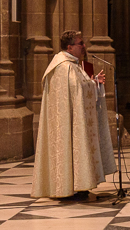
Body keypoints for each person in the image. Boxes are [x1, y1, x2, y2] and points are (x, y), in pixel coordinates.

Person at [31, 30, 117, 200]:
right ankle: (69, 187)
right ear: (70, 47)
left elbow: (78, 88)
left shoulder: (72, 65)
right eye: (80, 43)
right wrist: (92, 85)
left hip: (71, 119)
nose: (84, 46)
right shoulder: (64, 67)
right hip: (65, 123)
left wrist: (94, 83)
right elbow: (78, 90)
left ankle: (77, 185)